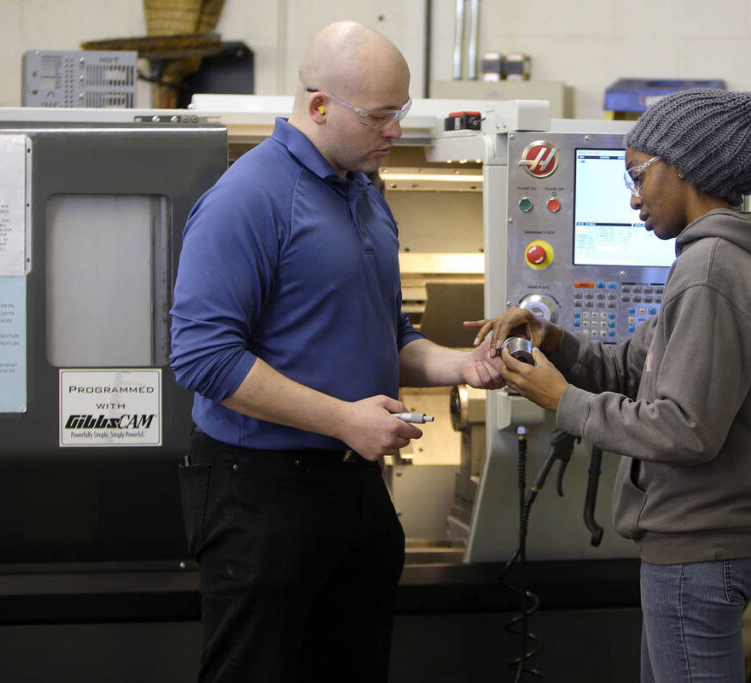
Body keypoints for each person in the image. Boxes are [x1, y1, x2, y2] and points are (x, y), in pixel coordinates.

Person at [169, 21, 503, 683]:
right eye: (380, 116)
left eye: (400, 113)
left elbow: (390, 336)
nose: (395, 131)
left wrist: (458, 364)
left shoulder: (365, 199)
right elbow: (204, 358)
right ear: (319, 106)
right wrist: (344, 418)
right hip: (258, 494)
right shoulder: (248, 199)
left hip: (353, 490)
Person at [469, 81, 751, 682]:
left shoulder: (711, 269)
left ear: (683, 170)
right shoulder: (725, 261)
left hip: (701, 545)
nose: (632, 199)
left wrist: (560, 400)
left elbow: (686, 430)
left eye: (636, 176)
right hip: (713, 541)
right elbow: (632, 366)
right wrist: (552, 339)